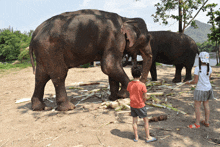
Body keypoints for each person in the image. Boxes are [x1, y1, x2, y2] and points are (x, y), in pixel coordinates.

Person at [127, 66, 157, 142]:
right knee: (145, 120)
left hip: (132, 105)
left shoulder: (129, 84)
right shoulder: (142, 85)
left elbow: (129, 92)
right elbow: (145, 97)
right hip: (140, 105)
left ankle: (136, 137)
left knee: (134, 121)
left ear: (132, 74)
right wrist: (144, 99)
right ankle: (148, 137)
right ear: (140, 74)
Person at [186, 52, 214, 128]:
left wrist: (188, 82)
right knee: (206, 104)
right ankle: (206, 122)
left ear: (200, 59)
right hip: (208, 88)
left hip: (200, 90)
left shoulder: (197, 68)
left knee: (197, 106)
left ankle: (197, 123)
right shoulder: (210, 68)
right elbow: (208, 78)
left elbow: (195, 81)